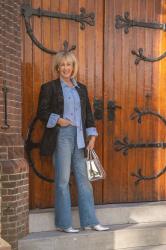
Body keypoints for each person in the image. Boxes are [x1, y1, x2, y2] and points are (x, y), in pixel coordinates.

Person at [37, 49, 109, 233]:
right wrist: (58, 119)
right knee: (62, 180)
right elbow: (42, 112)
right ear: (57, 67)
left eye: (69, 64)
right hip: (61, 136)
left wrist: (92, 136)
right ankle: (64, 223)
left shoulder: (81, 89)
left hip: (80, 137)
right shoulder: (49, 87)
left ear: (73, 67)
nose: (66, 68)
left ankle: (90, 221)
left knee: (84, 180)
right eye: (62, 65)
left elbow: (88, 115)